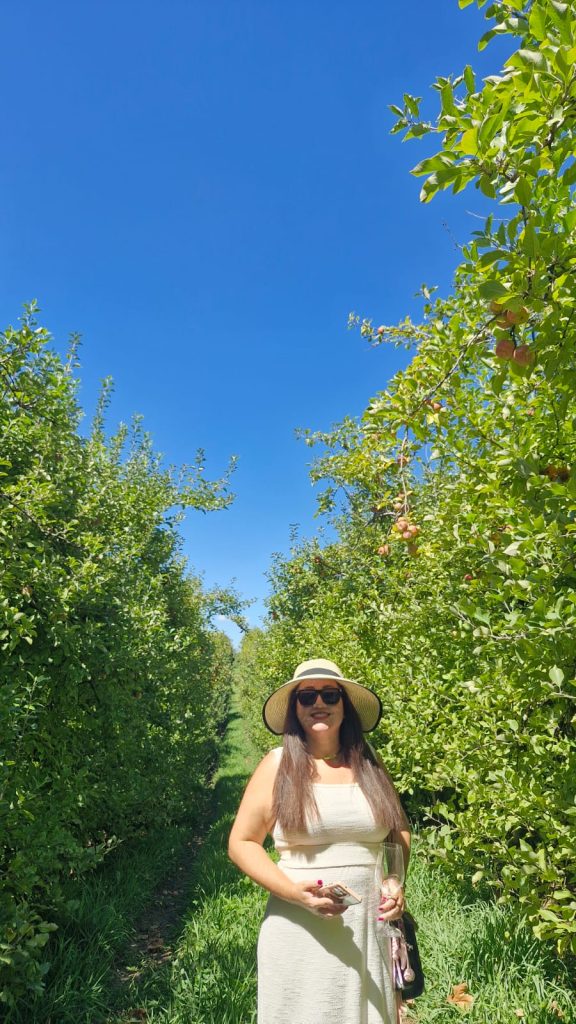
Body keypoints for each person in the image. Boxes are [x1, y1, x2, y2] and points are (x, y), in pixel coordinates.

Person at [228, 658, 411, 1024]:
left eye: (330, 695)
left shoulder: (369, 762)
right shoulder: (277, 765)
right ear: (295, 709)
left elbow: (399, 829)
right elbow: (241, 843)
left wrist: (394, 880)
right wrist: (295, 894)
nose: (318, 703)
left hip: (369, 927)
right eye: (306, 696)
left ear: (345, 705)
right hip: (298, 929)